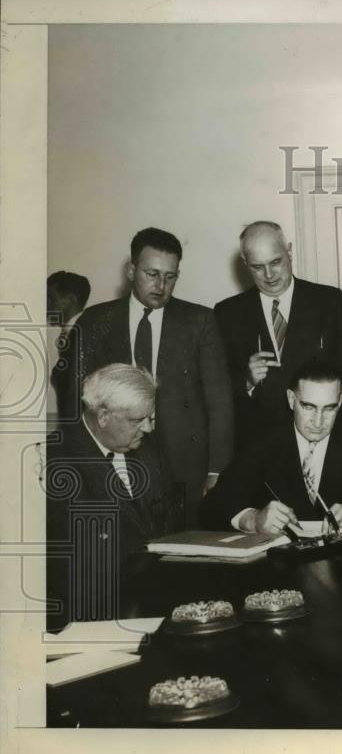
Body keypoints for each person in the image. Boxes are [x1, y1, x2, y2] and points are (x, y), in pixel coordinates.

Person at [71, 227, 233, 526]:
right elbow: (77, 398)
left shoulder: (199, 321)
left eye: (170, 276)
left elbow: (219, 401)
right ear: (131, 270)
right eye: (152, 273)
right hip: (118, 455)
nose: (161, 285)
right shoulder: (96, 320)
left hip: (184, 462)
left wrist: (215, 472)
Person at [45, 364, 179, 629]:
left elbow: (168, 528)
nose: (149, 428)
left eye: (150, 418)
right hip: (91, 618)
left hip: (157, 605)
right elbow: (60, 573)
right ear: (103, 416)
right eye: (137, 420)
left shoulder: (148, 449)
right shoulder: (54, 462)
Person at [214, 220, 342, 442]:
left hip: (325, 438)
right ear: (245, 263)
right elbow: (216, 388)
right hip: (260, 444)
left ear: (290, 251)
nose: (269, 275)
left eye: (276, 262)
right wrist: (247, 380)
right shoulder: (228, 312)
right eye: (257, 266)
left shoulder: (329, 301)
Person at [200, 358, 342, 533]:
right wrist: (253, 520)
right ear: (291, 399)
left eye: (329, 408)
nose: (319, 421)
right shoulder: (263, 442)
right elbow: (212, 506)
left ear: (341, 401)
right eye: (308, 407)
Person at [46, 270, 91, 424]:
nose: (46, 305)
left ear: (71, 300)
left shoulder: (86, 332)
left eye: (51, 298)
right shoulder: (69, 332)